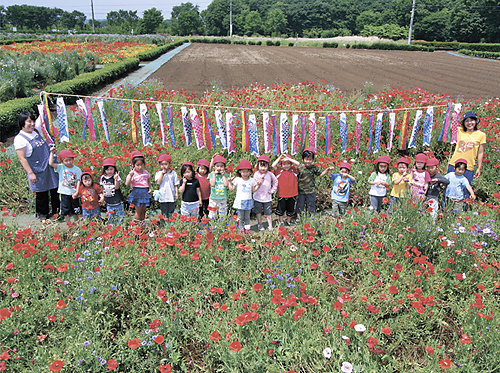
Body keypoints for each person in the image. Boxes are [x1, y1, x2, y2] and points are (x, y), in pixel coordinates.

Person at [14, 112, 60, 222]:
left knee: (55, 190)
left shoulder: (35, 132)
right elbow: (22, 158)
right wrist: (30, 173)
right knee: (41, 193)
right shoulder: (20, 139)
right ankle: (42, 214)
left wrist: (44, 100)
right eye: (29, 121)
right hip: (38, 169)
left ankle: (56, 211)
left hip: (49, 166)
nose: (32, 124)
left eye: (33, 121)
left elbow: (43, 116)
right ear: (22, 123)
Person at [448, 111, 486, 199]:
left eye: (472, 120)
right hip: (454, 164)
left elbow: (480, 153)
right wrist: (454, 117)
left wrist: (479, 168)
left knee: (465, 189)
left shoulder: (481, 135)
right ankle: (446, 208)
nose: (469, 123)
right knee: (450, 187)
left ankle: (462, 210)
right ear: (464, 123)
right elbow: (451, 128)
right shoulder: (460, 131)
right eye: (467, 121)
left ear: (476, 121)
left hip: (468, 166)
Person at [228, 160, 261, 234]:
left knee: (247, 216)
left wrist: (258, 185)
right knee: (240, 216)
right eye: (243, 172)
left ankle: (247, 228)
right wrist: (229, 182)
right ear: (240, 172)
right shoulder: (237, 180)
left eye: (247, 172)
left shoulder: (252, 180)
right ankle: (241, 228)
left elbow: (253, 190)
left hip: (248, 200)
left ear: (250, 172)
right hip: (240, 201)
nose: (245, 174)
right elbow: (231, 188)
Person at [49, 148, 81, 222]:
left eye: (70, 160)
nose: (69, 162)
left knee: (75, 209)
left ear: (73, 159)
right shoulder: (61, 167)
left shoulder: (77, 169)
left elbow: (79, 181)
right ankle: (68, 223)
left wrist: (77, 192)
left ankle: (76, 222)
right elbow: (51, 163)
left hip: (73, 193)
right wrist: (52, 152)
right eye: (66, 160)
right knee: (66, 209)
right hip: (64, 193)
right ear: (62, 161)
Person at [272, 154, 300, 226]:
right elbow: (273, 165)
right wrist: (280, 158)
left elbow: (298, 163)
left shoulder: (293, 170)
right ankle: (281, 221)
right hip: (282, 194)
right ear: (281, 165)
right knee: (281, 209)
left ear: (291, 164)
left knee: (290, 208)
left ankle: (288, 221)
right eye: (284, 164)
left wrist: (288, 158)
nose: (286, 166)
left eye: (288, 164)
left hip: (292, 193)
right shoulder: (279, 170)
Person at [253, 154, 278, 231]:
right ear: (258, 166)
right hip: (257, 197)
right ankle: (260, 224)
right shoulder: (256, 174)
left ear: (268, 166)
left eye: (265, 166)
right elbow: (254, 183)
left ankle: (270, 225)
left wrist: (272, 190)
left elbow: (275, 181)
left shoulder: (270, 174)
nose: (263, 168)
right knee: (258, 211)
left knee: (268, 212)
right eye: (261, 166)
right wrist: (260, 181)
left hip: (267, 197)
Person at [125, 151, 152, 222]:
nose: (140, 167)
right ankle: (137, 225)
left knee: (143, 210)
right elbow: (127, 184)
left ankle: (142, 224)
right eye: (137, 165)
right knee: (138, 211)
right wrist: (130, 175)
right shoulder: (133, 173)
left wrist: (150, 188)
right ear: (133, 165)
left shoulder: (145, 172)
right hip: (137, 192)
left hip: (145, 191)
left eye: (142, 164)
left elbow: (148, 181)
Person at [296, 148, 322, 217]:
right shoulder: (300, 167)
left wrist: (328, 170)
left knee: (311, 204)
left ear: (313, 160)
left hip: (311, 190)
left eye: (310, 159)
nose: (308, 161)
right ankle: (298, 217)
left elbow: (320, 174)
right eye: (306, 159)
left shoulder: (314, 168)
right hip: (301, 190)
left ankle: (311, 217)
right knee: (300, 204)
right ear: (303, 159)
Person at [155, 154, 179, 222]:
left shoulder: (173, 173)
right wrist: (162, 174)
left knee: (171, 210)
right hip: (163, 195)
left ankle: (171, 223)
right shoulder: (158, 173)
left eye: (165, 164)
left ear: (169, 164)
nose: (164, 166)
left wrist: (176, 193)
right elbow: (158, 182)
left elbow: (176, 184)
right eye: (162, 164)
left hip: (171, 194)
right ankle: (164, 223)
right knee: (164, 210)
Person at [100, 158, 124, 225]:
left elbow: (117, 187)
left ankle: (121, 228)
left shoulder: (116, 177)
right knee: (111, 217)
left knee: (120, 217)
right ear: (104, 169)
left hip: (118, 200)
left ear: (114, 169)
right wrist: (103, 198)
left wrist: (116, 179)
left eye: (111, 169)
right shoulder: (103, 177)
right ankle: (112, 228)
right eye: (107, 169)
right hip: (109, 201)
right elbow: (103, 189)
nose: (109, 171)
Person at [208, 155, 230, 220]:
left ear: (224, 167)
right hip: (213, 197)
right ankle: (213, 225)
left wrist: (223, 175)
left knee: (222, 213)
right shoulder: (211, 174)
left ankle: (221, 225)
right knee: (212, 213)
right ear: (214, 167)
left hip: (222, 197)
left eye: (221, 166)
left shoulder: (226, 175)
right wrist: (214, 174)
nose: (219, 168)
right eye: (217, 166)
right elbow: (212, 184)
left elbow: (226, 184)